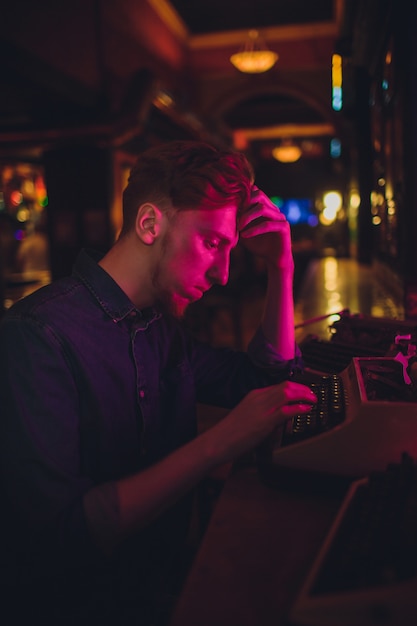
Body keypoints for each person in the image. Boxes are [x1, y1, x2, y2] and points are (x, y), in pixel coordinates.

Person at [0, 140, 316, 625]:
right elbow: (62, 534)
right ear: (150, 224)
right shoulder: (38, 335)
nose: (224, 273)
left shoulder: (158, 327)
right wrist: (218, 445)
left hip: (162, 587)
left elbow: (263, 378)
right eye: (212, 243)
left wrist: (281, 264)